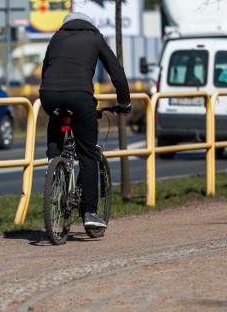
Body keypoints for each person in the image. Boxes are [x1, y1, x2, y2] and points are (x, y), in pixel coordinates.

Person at [39, 12, 131, 230]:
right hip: (80, 97)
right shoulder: (95, 37)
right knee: (88, 153)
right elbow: (116, 72)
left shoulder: (56, 38)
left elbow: (45, 70)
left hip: (49, 95)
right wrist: (124, 103)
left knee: (56, 119)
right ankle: (90, 212)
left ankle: (53, 161)